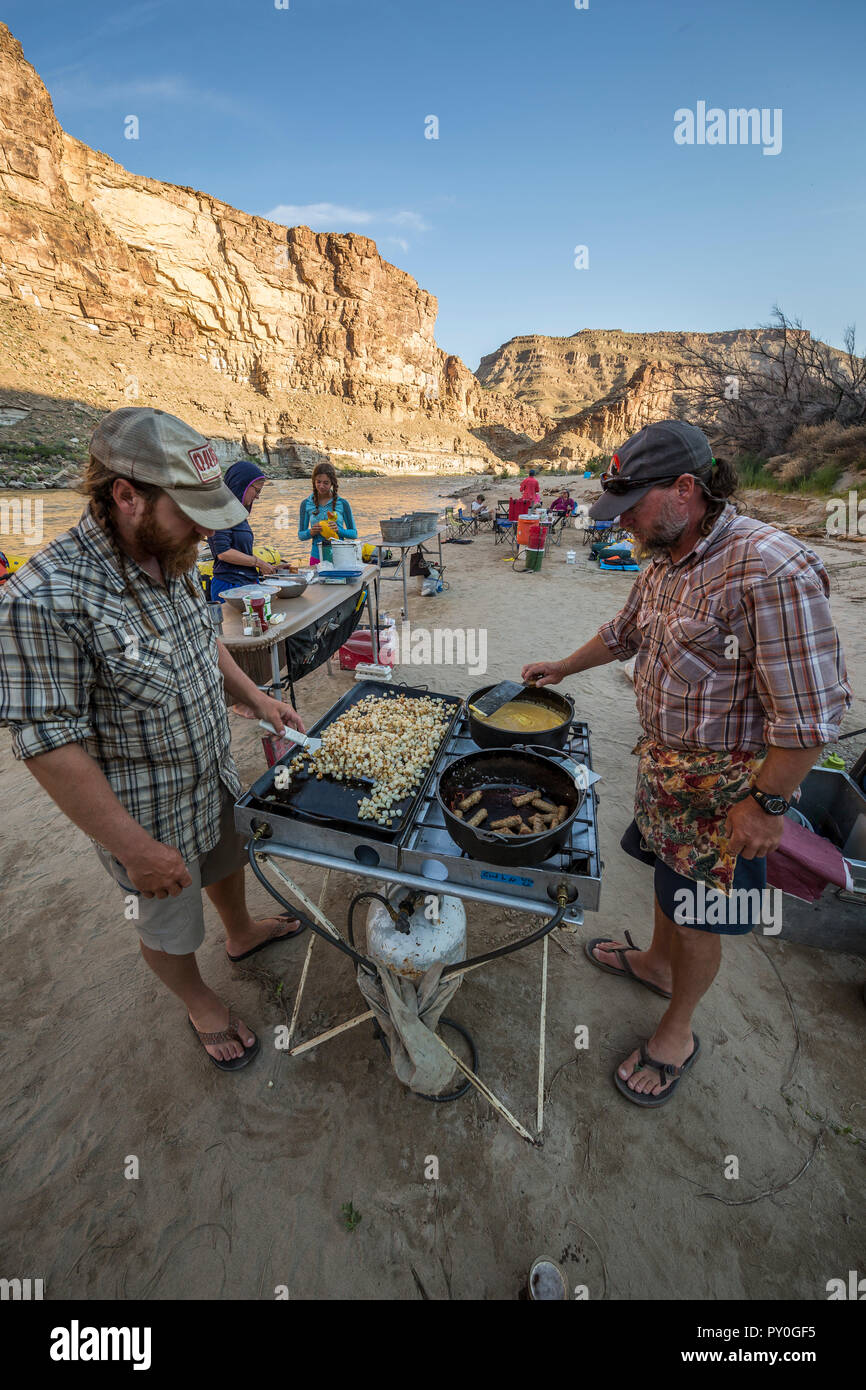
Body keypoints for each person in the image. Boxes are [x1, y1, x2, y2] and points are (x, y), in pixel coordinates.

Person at [522, 419, 850, 1107]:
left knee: (702, 912)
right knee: (672, 886)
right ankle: (654, 965)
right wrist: (562, 667)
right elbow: (625, 633)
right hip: (668, 769)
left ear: (685, 489)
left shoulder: (771, 567)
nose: (628, 526)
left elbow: (813, 715)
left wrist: (767, 805)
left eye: (634, 507)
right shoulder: (667, 555)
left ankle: (677, 1030)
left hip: (731, 789)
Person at [0, 407, 308, 1073]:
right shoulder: (42, 599)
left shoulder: (173, 552)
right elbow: (49, 744)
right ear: (126, 495)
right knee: (167, 923)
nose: (205, 529)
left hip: (210, 774)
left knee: (227, 860)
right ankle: (198, 1000)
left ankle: (240, 931)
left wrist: (256, 698)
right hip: (145, 813)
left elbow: (202, 641)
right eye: (192, 511)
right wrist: (134, 849)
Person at [207, 459, 276, 602]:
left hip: (246, 583)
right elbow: (223, 553)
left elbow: (242, 551)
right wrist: (259, 563)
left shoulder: (239, 515)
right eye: (256, 490)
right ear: (242, 485)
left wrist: (270, 567)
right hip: (229, 586)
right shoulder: (221, 511)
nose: (257, 496)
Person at [298, 459, 357, 564]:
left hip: (339, 556)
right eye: (318, 482)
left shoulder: (342, 503)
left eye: (326, 483)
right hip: (316, 558)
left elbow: (354, 533)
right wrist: (311, 532)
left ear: (332, 483)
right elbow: (301, 535)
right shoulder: (306, 504)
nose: (321, 486)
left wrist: (339, 530)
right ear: (314, 482)